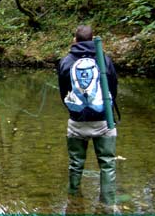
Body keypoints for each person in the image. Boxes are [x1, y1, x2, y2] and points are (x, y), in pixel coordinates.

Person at [57, 25, 118, 205]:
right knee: (107, 164)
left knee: (75, 164)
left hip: (77, 122)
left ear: (75, 40)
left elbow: (63, 93)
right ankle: (107, 204)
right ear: (93, 40)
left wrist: (75, 111)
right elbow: (113, 89)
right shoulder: (104, 60)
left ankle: (74, 200)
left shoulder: (66, 61)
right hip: (103, 121)